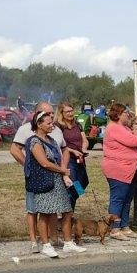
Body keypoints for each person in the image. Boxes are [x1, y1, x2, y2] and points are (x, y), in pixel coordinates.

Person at [10, 101, 66, 252]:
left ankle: (52, 238)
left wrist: (62, 168)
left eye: (51, 113)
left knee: (52, 208)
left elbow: (64, 149)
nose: (51, 116)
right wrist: (29, 166)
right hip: (37, 177)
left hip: (55, 175)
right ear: (38, 116)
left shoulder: (56, 130)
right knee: (33, 209)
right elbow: (15, 149)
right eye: (47, 113)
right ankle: (34, 241)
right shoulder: (26, 130)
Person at [24, 109, 73, 258]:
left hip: (56, 180)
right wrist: (63, 170)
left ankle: (68, 243)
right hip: (43, 181)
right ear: (39, 124)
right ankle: (46, 245)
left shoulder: (51, 140)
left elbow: (60, 154)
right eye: (48, 122)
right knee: (45, 213)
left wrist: (61, 172)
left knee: (66, 209)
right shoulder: (34, 141)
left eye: (52, 121)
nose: (52, 124)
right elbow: (44, 163)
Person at [101, 103, 137, 240]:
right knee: (118, 199)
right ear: (119, 114)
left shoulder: (123, 128)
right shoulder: (114, 128)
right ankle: (114, 228)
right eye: (126, 112)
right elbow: (135, 142)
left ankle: (124, 226)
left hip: (129, 171)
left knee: (127, 199)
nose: (129, 115)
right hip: (118, 170)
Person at [54, 101, 88, 253]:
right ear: (61, 113)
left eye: (71, 110)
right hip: (69, 160)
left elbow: (84, 138)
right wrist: (73, 151)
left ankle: (67, 214)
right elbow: (60, 144)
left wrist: (84, 147)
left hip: (81, 159)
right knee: (73, 186)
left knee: (83, 184)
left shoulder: (77, 125)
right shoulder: (58, 126)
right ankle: (65, 217)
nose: (70, 113)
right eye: (67, 111)